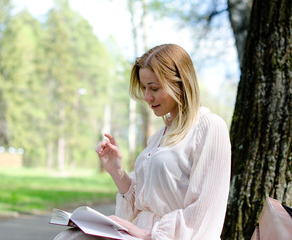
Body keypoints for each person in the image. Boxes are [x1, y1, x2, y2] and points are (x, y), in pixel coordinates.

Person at [54, 43, 231, 240]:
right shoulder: (159, 135)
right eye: (144, 87)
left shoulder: (210, 127)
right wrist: (116, 170)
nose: (147, 97)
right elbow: (140, 204)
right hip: (137, 233)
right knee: (70, 237)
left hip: (161, 238)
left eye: (154, 88)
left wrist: (149, 234)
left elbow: (205, 211)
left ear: (179, 84)